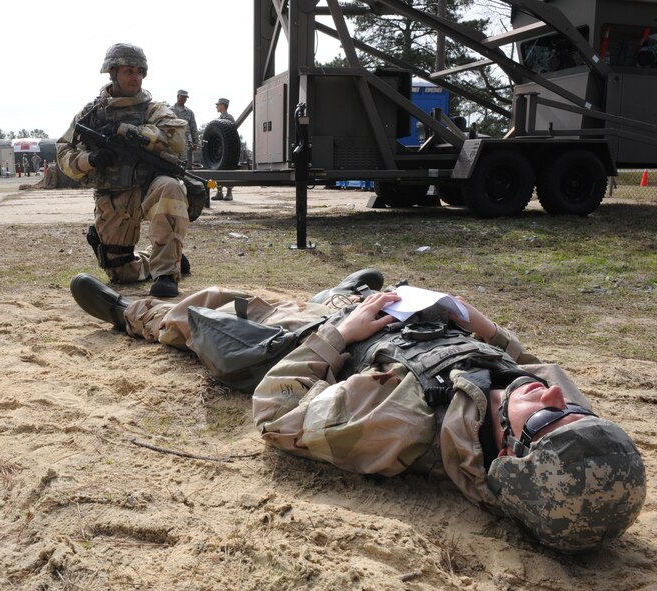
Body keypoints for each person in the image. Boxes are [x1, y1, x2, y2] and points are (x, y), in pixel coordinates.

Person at [68, 270, 647, 553]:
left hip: (321, 338)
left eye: (546, 421)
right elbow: (531, 364)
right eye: (572, 410)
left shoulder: (400, 419)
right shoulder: (551, 405)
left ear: (508, 459)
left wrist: (337, 334)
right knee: (353, 292)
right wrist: (481, 325)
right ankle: (344, 292)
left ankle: (134, 314)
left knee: (221, 316)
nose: (549, 395)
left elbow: (276, 412)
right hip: (399, 318)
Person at [57, 43, 191, 298]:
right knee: (123, 274)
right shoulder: (90, 114)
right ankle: (159, 257)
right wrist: (92, 158)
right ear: (112, 72)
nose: (136, 77)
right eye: (129, 70)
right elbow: (63, 153)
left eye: (140, 71)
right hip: (114, 198)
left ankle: (166, 273)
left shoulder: (152, 109)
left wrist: (134, 132)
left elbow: (176, 140)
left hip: (148, 190)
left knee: (170, 187)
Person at [212, 98, 235, 201]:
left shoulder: (229, 118)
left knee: (228, 171)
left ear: (223, 105)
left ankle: (229, 193)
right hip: (219, 149)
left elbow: (229, 133)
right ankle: (219, 192)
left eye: (218, 104)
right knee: (217, 170)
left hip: (227, 149)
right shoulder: (219, 118)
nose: (216, 106)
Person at [171, 89, 198, 168]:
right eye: (182, 97)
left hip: (186, 142)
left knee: (186, 164)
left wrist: (195, 142)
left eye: (185, 98)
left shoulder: (189, 112)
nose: (184, 99)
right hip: (173, 141)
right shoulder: (169, 110)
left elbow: (193, 127)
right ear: (178, 96)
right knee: (172, 163)